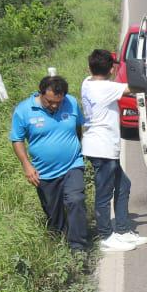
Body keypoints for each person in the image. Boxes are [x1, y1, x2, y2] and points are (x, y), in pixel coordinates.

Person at [11, 75, 88, 253]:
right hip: (44, 172)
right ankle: (62, 244)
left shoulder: (71, 103)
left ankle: (78, 248)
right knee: (55, 217)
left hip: (72, 164)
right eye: (50, 102)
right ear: (41, 93)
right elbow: (17, 139)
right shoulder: (24, 110)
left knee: (75, 200)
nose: (55, 106)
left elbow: (78, 127)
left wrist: (79, 148)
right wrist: (26, 165)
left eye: (58, 102)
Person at [81, 49, 147, 251]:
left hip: (97, 145)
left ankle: (122, 229)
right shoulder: (106, 88)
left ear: (90, 67)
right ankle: (106, 237)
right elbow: (135, 87)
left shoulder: (87, 83)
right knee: (104, 194)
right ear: (111, 68)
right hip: (103, 148)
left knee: (124, 185)